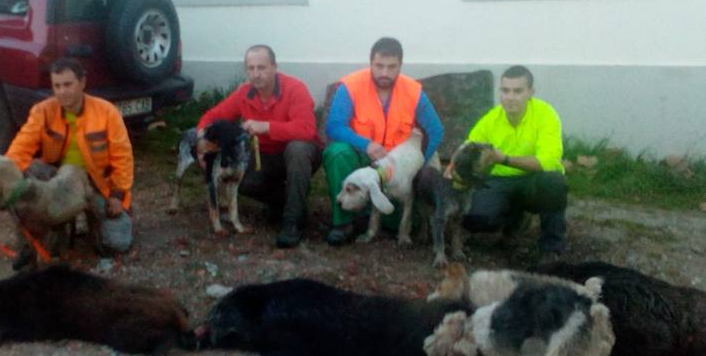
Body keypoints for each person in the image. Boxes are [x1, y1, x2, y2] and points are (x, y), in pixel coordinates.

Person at [6, 57, 134, 263]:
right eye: (57, 86)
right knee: (19, 180)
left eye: (68, 84)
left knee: (117, 243)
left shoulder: (106, 111)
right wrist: (8, 176)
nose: (62, 91)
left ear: (82, 83)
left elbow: (123, 156)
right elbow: (21, 146)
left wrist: (118, 194)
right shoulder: (43, 111)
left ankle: (94, 222)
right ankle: (31, 243)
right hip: (56, 179)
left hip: (96, 183)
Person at [197, 44, 322, 248]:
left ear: (274, 66)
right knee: (239, 178)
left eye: (262, 68)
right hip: (261, 155)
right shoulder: (244, 93)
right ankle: (286, 203)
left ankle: (292, 222)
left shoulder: (295, 88)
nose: (256, 74)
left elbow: (306, 129)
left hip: (299, 154)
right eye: (251, 68)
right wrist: (202, 141)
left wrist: (266, 127)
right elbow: (213, 116)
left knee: (298, 149)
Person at [323, 37, 444, 245]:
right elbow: (334, 125)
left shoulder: (413, 92)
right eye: (379, 66)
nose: (385, 73)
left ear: (400, 66)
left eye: (391, 67)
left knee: (403, 224)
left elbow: (436, 130)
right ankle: (343, 222)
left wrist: (417, 165)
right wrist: (365, 144)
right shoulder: (351, 86)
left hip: (396, 168)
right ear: (371, 63)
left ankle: (372, 211)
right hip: (361, 157)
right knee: (338, 153)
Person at [459, 65, 568, 261]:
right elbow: (468, 147)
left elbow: (549, 162)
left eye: (518, 91)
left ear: (530, 93)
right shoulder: (491, 119)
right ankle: (515, 222)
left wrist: (505, 159)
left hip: (534, 180)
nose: (510, 97)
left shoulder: (546, 115)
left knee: (554, 183)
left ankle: (551, 248)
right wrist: (457, 167)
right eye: (505, 90)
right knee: (474, 219)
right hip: (499, 181)